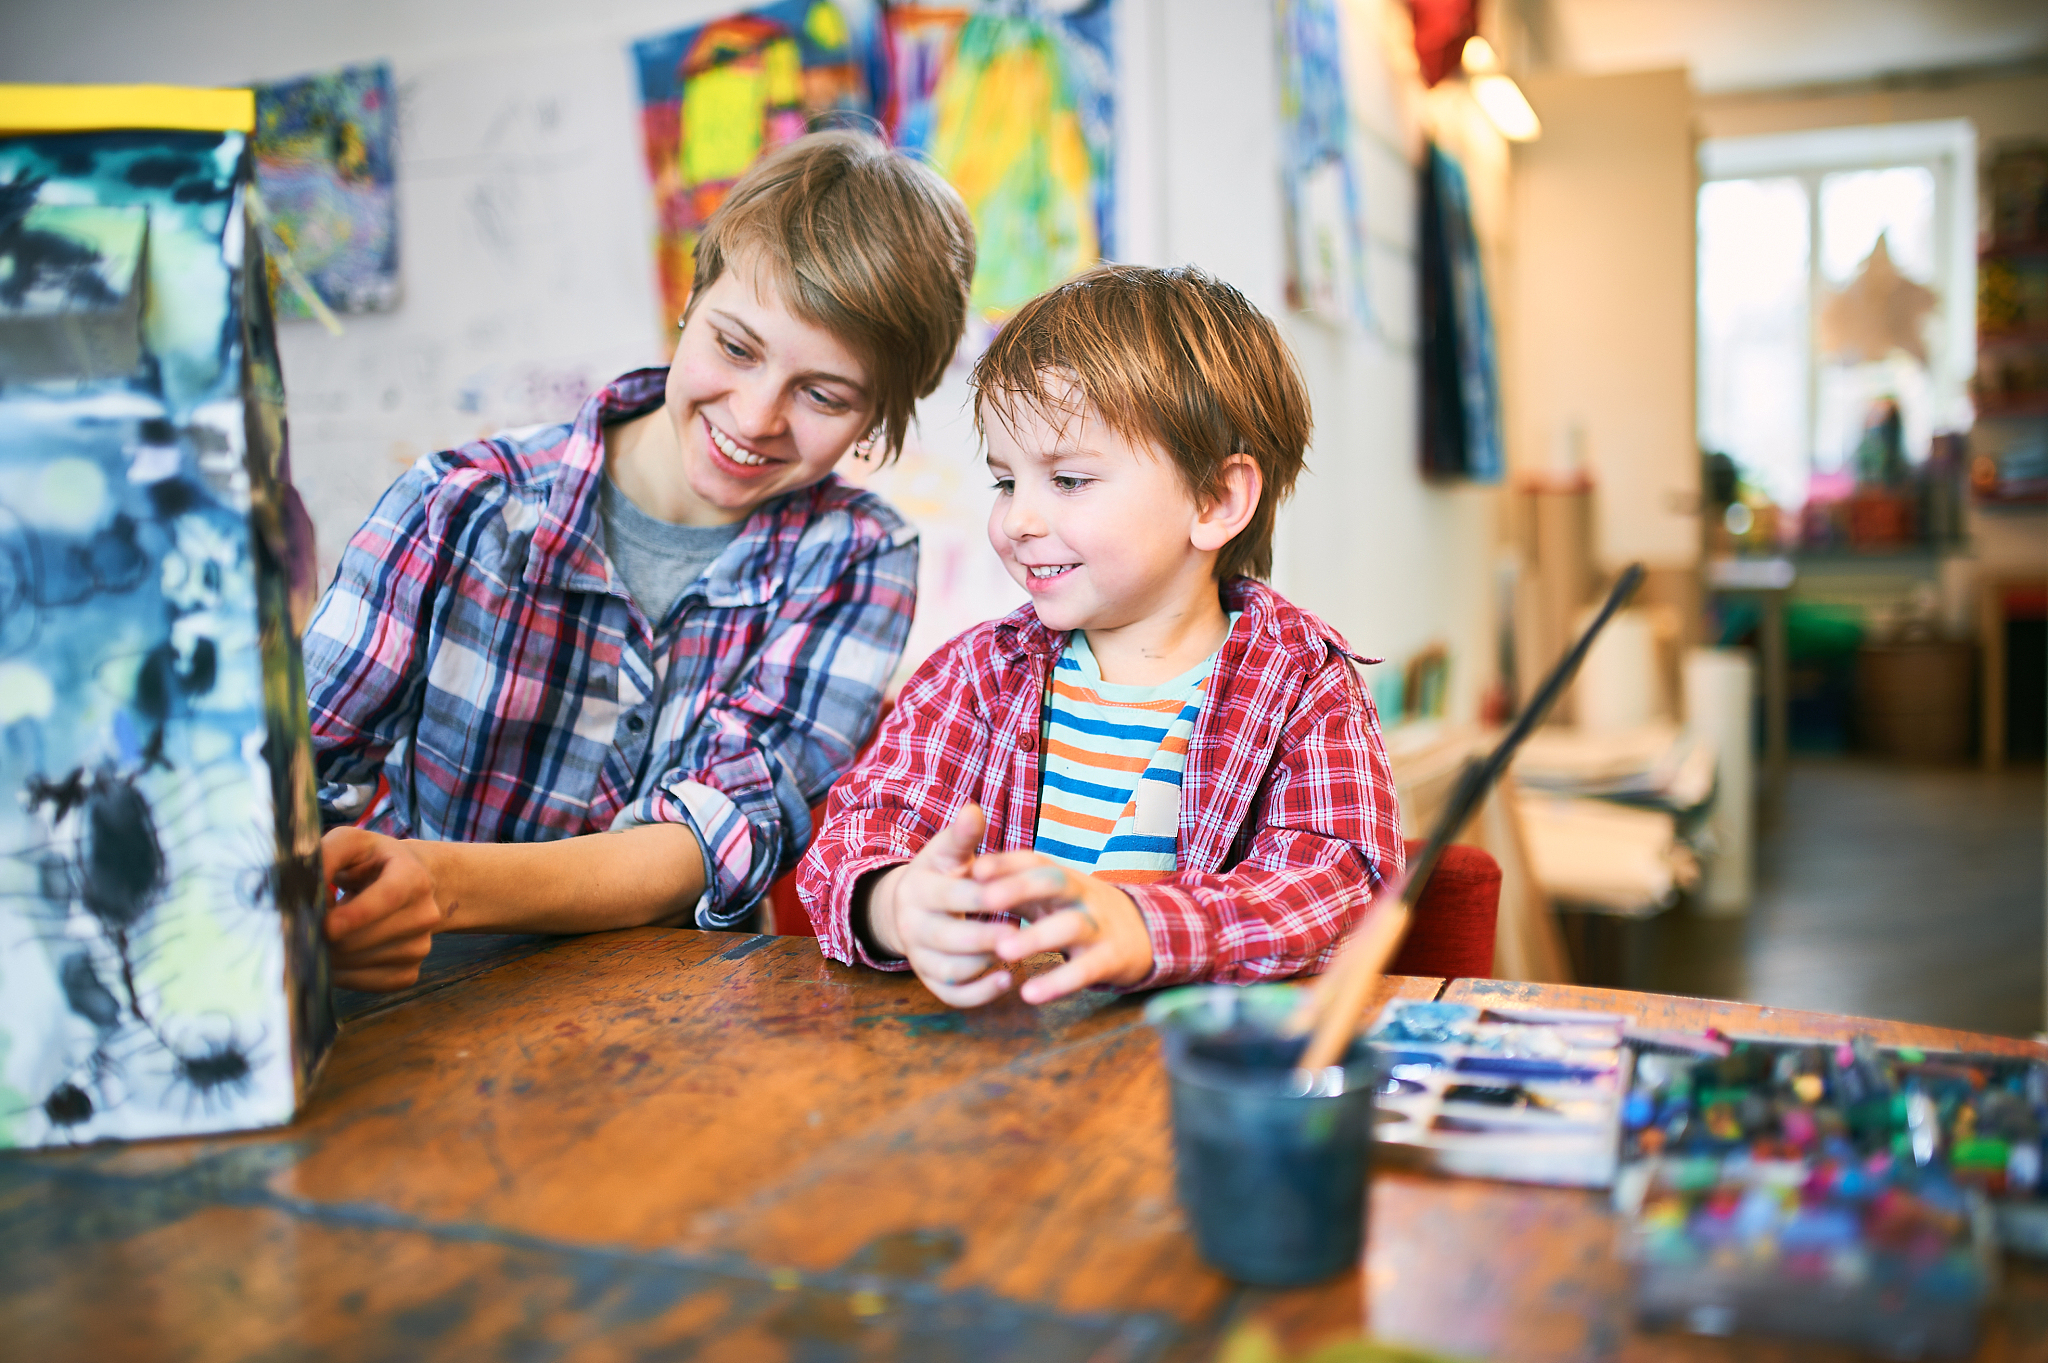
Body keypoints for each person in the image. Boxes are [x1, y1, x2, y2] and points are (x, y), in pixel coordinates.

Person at [306, 130, 975, 992]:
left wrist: (439, 880)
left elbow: (714, 837)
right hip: (412, 994)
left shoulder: (857, 555)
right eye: (737, 347)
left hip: (682, 1020)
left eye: (822, 393)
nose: (756, 415)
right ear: (690, 298)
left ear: (878, 418)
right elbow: (299, 771)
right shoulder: (459, 505)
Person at [796, 264, 1402, 1007]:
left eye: (1069, 480)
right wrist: (895, 905)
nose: (1019, 518)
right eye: (1005, 481)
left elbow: (1335, 881)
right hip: (992, 1069)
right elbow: (854, 833)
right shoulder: (977, 674)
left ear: (1216, 498)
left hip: (1184, 1081)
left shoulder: (1304, 685)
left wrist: (1146, 926)